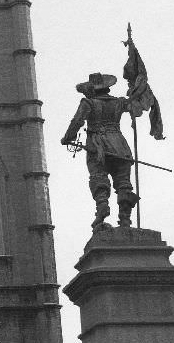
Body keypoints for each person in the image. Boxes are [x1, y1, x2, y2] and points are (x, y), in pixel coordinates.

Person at [61, 73, 142, 231]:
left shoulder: (88, 102)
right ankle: (125, 219)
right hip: (120, 146)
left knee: (99, 177)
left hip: (97, 146)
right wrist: (136, 92)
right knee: (123, 182)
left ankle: (102, 207)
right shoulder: (119, 102)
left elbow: (77, 121)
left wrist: (67, 138)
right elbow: (135, 107)